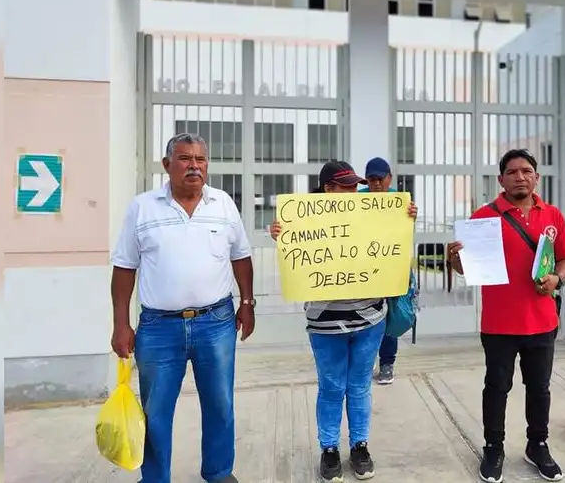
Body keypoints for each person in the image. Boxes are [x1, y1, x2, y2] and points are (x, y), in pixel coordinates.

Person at [110, 133, 255, 483]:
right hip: (159, 328)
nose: (194, 166)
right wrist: (120, 324)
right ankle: (156, 477)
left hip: (216, 323)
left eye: (201, 160)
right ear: (167, 165)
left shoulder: (222, 204)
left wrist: (247, 303)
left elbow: (241, 257)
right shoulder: (142, 207)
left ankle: (219, 472)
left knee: (220, 404)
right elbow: (124, 268)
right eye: (185, 159)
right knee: (156, 411)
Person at [269, 160, 417, 482]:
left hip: (370, 318)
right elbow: (294, 256)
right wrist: (279, 234)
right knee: (332, 386)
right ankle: (330, 449)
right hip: (325, 323)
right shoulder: (304, 220)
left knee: (360, 385)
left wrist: (404, 220)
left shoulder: (372, 214)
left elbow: (395, 249)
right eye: (346, 185)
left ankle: (360, 446)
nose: (354, 191)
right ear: (327, 189)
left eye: (354, 185)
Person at [447, 149, 565, 483]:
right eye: (513, 172)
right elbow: (467, 269)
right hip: (500, 324)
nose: (521, 177)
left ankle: (538, 445)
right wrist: (455, 260)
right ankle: (494, 448)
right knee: (497, 387)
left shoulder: (553, 216)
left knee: (539, 388)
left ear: (536, 177)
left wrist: (557, 278)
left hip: (542, 321)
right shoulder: (483, 217)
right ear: (501, 179)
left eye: (527, 171)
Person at [358, 157, 402, 385]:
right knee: (366, 316)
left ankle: (387, 363)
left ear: (389, 178)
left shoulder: (400, 201)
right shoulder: (356, 199)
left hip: (390, 268)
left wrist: (410, 215)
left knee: (389, 318)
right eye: (371, 179)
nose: (376, 184)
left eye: (380, 179)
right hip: (363, 268)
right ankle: (366, 361)